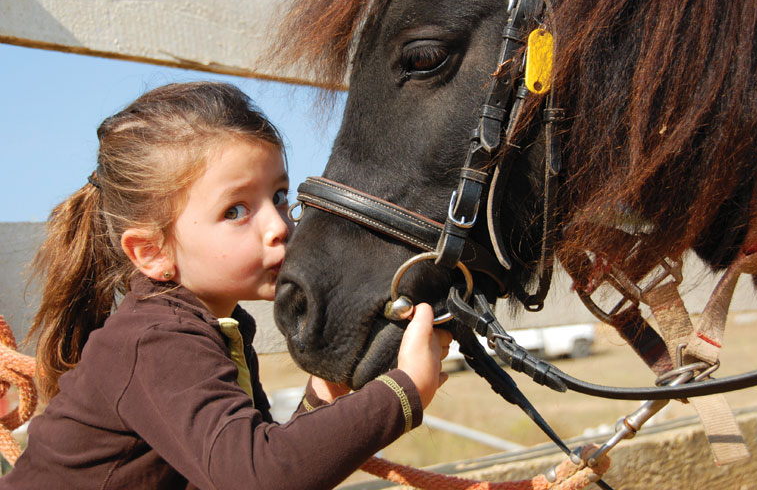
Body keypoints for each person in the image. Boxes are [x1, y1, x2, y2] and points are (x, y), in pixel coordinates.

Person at [1, 81, 452, 489]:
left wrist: (321, 397)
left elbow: (245, 459)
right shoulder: (156, 341)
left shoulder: (211, 326)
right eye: (235, 210)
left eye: (278, 196)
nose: (279, 225)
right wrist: (406, 391)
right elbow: (257, 478)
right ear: (151, 252)